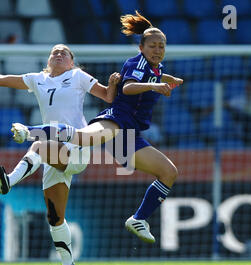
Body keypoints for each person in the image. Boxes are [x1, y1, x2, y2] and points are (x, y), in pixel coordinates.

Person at [10, 11, 183, 244]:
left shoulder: (156, 69)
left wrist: (169, 79)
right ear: (141, 48)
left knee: (169, 172)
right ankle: (28, 131)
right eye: (152, 45)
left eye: (161, 46)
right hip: (115, 120)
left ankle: (138, 219)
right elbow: (129, 87)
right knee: (81, 137)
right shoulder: (136, 62)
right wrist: (156, 86)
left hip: (129, 135)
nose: (158, 50)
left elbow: (157, 74)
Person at [0, 44, 120, 265]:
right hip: (55, 151)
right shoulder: (37, 80)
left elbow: (107, 96)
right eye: (55, 51)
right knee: (55, 217)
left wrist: (113, 84)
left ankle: (9, 179)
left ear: (72, 62)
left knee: (39, 144)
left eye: (65, 52)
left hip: (78, 146)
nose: (60, 53)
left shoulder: (78, 76)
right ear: (48, 60)